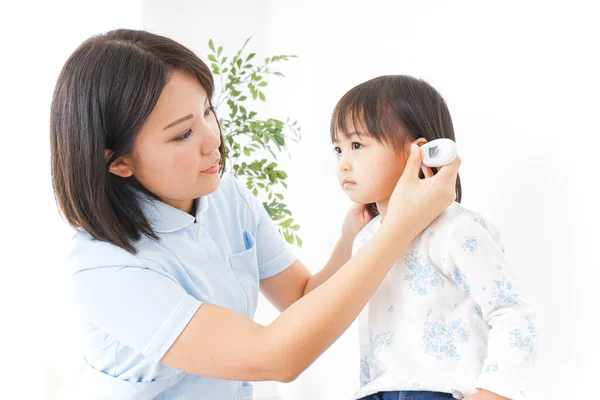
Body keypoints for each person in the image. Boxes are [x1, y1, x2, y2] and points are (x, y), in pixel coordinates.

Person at [50, 29, 460, 399]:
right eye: (182, 134)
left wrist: (349, 242)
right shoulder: (104, 268)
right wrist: (400, 227)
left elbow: (301, 300)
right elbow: (274, 358)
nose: (213, 141)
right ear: (118, 162)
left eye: (207, 112)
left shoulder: (224, 195)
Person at [329, 75, 537, 400]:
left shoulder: (456, 229)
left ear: (419, 151)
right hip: (374, 392)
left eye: (357, 145)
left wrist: (496, 391)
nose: (343, 162)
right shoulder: (366, 239)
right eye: (338, 148)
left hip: (443, 392)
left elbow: (510, 311)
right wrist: (347, 238)